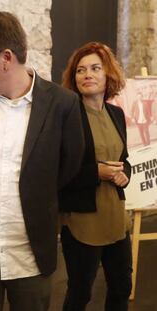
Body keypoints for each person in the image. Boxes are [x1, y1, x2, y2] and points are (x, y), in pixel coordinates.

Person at [0, 8, 85, 311]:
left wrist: (34, 191)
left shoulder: (63, 104)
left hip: (30, 255)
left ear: (6, 58)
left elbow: (70, 166)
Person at [60, 42, 132, 310]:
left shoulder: (117, 114)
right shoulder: (67, 116)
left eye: (94, 68)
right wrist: (96, 172)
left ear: (107, 75)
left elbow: (123, 160)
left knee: (122, 285)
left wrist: (125, 174)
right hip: (82, 221)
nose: (87, 74)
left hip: (116, 217)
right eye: (80, 70)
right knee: (80, 291)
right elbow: (56, 171)